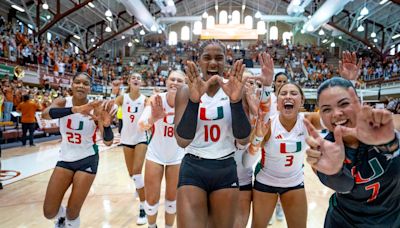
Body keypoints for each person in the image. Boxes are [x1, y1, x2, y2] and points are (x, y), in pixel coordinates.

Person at [303, 77, 400, 227]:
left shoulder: (385, 127)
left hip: (390, 221)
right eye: (327, 109)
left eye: (344, 104)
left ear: (359, 104)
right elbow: (344, 187)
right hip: (342, 222)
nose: (336, 114)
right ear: (321, 115)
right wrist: (335, 172)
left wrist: (390, 144)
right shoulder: (323, 150)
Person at [174, 39, 251, 228]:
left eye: (219, 58)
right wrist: (193, 101)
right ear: (199, 61)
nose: (213, 63)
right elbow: (182, 140)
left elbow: (243, 138)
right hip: (193, 167)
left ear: (226, 61)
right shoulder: (185, 91)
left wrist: (235, 102)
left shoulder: (236, 89)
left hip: (225, 167)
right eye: (207, 57)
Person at [41, 72, 115, 228]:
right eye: (77, 82)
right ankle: (60, 218)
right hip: (65, 159)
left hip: (87, 159)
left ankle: (69, 221)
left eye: (85, 83)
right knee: (49, 212)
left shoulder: (96, 108)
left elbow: (108, 142)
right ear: (72, 85)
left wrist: (107, 126)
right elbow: (45, 115)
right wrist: (75, 109)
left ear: (90, 88)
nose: (81, 86)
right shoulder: (62, 102)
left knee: (72, 213)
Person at [247, 82, 308, 228]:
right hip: (266, 182)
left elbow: (333, 120)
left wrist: (348, 84)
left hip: (294, 182)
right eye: (283, 93)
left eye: (293, 93)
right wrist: (257, 138)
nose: (288, 96)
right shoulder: (268, 124)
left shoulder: (308, 121)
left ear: (302, 100)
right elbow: (247, 161)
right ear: (277, 102)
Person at [138, 70, 186, 228]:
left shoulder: (189, 103)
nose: (175, 82)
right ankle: (152, 226)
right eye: (172, 79)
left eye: (179, 80)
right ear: (166, 81)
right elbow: (141, 126)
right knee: (151, 200)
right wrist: (154, 118)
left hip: (177, 156)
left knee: (172, 200)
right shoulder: (155, 100)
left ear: (184, 84)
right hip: (155, 154)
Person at [114, 72, 149, 225]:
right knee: (132, 174)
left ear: (141, 83)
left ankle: (143, 207)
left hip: (141, 139)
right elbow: (112, 108)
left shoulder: (145, 100)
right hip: (126, 139)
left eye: (138, 78)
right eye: (133, 78)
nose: (136, 79)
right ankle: (138, 185)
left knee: (137, 172)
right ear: (129, 82)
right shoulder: (123, 98)